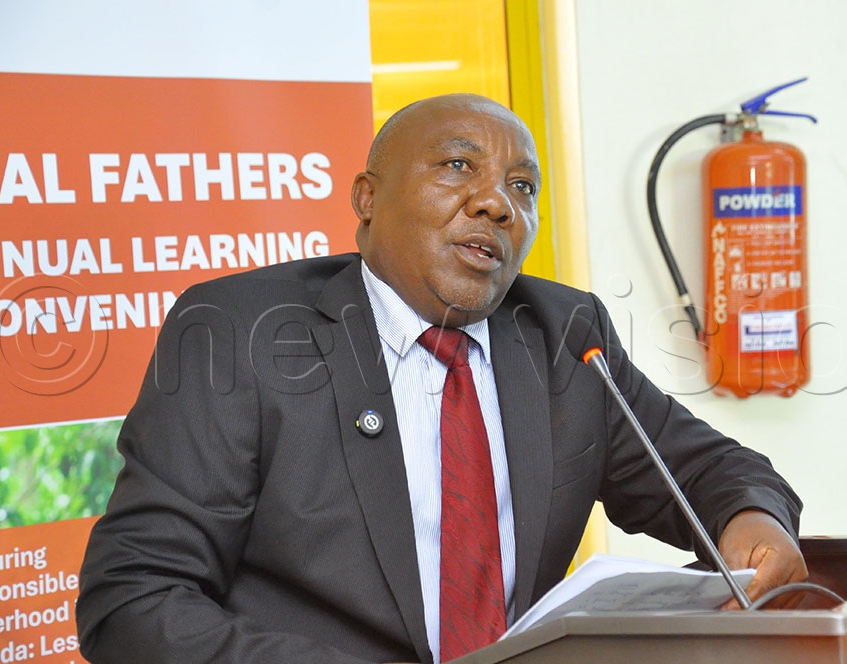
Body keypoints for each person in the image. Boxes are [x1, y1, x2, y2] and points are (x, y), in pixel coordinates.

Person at [76, 93, 807, 664]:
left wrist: (753, 522)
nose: (496, 201)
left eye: (522, 187)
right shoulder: (240, 332)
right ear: (367, 198)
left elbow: (712, 470)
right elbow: (133, 602)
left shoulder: (562, 336)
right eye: (458, 166)